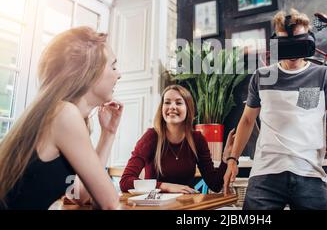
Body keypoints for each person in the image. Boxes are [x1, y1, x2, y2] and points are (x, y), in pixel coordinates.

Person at [223, 9, 327, 210]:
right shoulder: (262, 76)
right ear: (276, 43)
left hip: (309, 174)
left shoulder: (323, 75)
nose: (292, 51)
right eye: (286, 44)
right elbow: (248, 120)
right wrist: (233, 159)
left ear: (309, 42)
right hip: (265, 174)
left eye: (299, 42)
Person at [0, 27, 123, 210]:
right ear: (90, 72)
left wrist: (108, 134)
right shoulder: (64, 114)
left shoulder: (58, 112)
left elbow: (83, 195)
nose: (119, 74)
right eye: (113, 66)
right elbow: (110, 204)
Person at [120, 85, 235, 194]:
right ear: (162, 108)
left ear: (188, 109)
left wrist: (225, 158)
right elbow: (125, 182)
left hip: (186, 206)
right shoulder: (151, 137)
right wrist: (166, 186)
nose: (172, 107)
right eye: (167, 102)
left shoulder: (197, 139)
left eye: (179, 103)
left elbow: (215, 185)